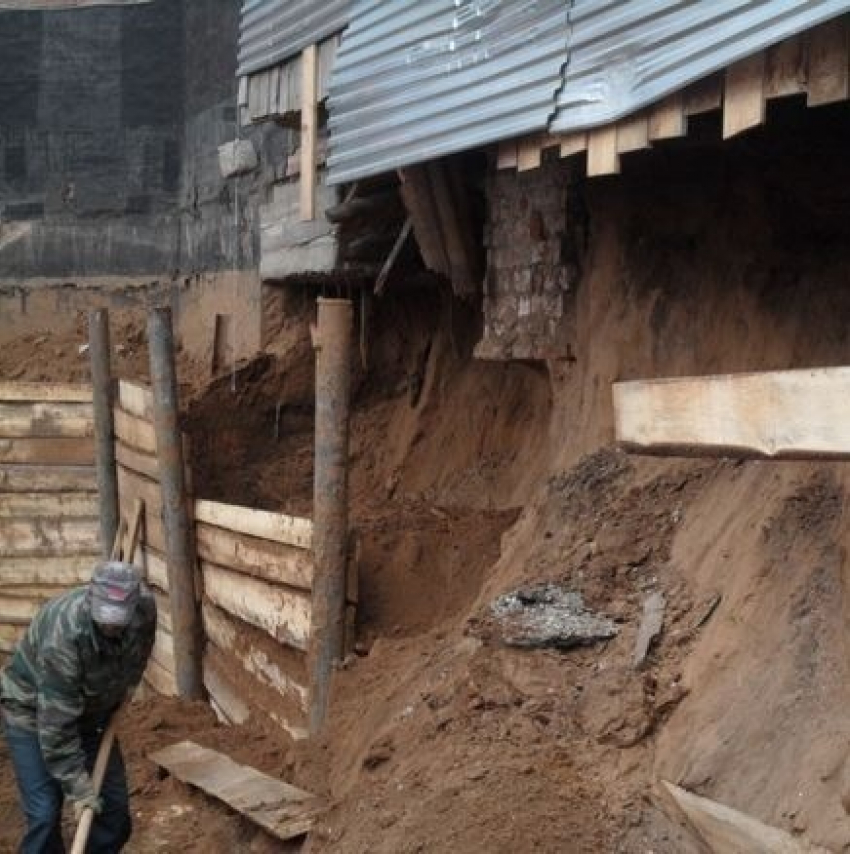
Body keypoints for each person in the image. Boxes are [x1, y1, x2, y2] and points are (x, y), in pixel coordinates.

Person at [1, 561, 156, 853]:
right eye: (105, 619)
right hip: (31, 713)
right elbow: (57, 730)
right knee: (44, 814)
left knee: (113, 812)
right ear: (91, 598)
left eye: (118, 619)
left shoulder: (145, 609)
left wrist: (128, 686)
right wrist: (80, 789)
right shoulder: (65, 639)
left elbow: (141, 647)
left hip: (90, 714)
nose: (111, 625)